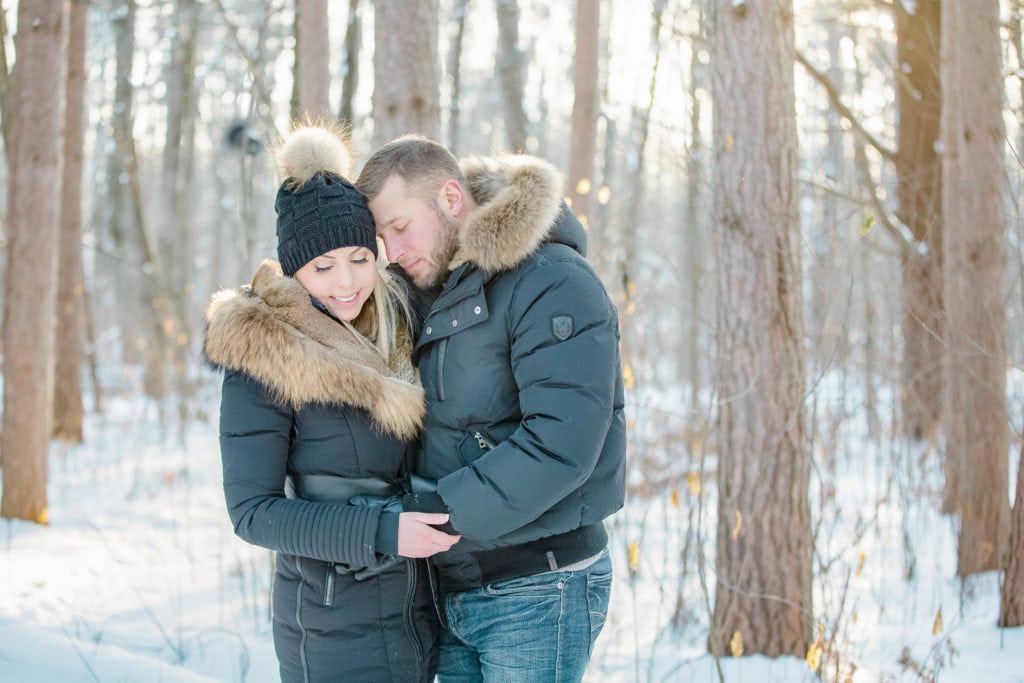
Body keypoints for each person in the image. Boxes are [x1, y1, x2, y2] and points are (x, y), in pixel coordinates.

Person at [356, 138, 627, 682]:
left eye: (400, 226)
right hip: (455, 582)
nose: (393, 250)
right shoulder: (432, 291)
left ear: (451, 198)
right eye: (381, 237)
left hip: (538, 586)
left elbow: (561, 444)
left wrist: (436, 510)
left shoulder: (552, 280)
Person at [204, 125, 460, 683]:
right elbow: (254, 514)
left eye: (359, 258)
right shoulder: (265, 351)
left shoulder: (399, 325)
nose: (346, 282)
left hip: (418, 613)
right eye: (322, 268)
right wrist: (381, 532)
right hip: (329, 627)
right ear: (294, 270)